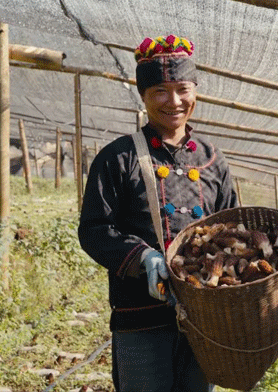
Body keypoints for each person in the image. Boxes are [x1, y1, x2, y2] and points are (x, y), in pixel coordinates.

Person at [78, 34, 238, 392]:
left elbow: (232, 229)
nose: (174, 101)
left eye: (183, 89)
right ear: (144, 97)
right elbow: (93, 230)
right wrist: (142, 257)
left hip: (203, 320)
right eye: (160, 92)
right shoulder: (118, 159)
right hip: (140, 318)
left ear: (195, 89)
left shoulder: (213, 160)